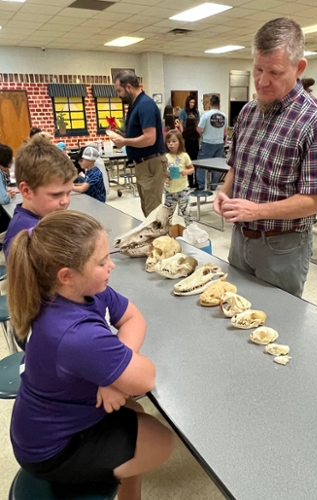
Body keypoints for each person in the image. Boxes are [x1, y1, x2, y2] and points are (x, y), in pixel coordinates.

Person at [8, 210, 174, 498]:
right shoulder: (75, 334)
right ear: (67, 275)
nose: (111, 266)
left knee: (133, 411)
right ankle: (85, 483)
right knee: (161, 442)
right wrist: (117, 373)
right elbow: (145, 378)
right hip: (52, 451)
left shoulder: (80, 291)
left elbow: (134, 318)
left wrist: (110, 377)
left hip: (45, 424)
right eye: (101, 262)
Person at [213, 17, 317, 298]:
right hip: (239, 238)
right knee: (234, 312)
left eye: (275, 72)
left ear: (299, 67)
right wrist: (225, 190)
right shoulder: (248, 112)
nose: (262, 81)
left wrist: (257, 211)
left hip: (283, 247)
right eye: (258, 69)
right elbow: (237, 164)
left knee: (275, 326)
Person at [3, 133, 77, 260]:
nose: (65, 201)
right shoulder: (26, 235)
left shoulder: (44, 217)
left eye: (69, 192)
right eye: (56, 194)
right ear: (26, 191)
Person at [112, 70, 167, 217]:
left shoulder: (145, 105)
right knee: (147, 210)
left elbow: (150, 138)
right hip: (143, 164)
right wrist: (123, 136)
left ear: (129, 87)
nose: (119, 95)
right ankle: (156, 239)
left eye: (119, 90)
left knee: (153, 212)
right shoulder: (135, 105)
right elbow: (140, 135)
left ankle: (161, 240)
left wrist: (124, 141)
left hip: (151, 163)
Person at [196, 94, 228, 191]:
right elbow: (225, 132)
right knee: (217, 165)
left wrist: (204, 132)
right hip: (219, 143)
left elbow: (199, 129)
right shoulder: (224, 116)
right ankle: (214, 185)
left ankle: (202, 185)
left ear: (210, 103)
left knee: (201, 164)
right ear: (219, 104)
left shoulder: (206, 115)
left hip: (207, 143)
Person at [164, 130, 194, 226]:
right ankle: (166, 232)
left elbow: (192, 169)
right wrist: (166, 174)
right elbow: (161, 171)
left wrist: (186, 171)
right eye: (169, 142)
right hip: (170, 190)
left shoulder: (184, 156)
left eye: (174, 141)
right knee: (167, 214)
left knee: (186, 212)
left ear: (180, 142)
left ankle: (190, 230)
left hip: (183, 189)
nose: (171, 144)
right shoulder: (165, 156)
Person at [183, 116, 200, 188]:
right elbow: (198, 142)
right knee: (195, 167)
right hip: (195, 151)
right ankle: (196, 182)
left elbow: (183, 143)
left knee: (188, 166)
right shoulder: (196, 133)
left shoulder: (184, 133)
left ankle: (190, 182)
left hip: (187, 152)